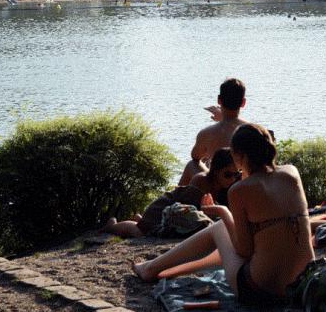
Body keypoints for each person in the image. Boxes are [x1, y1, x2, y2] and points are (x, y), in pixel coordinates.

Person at [131, 124, 315, 306]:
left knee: (219, 228)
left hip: (261, 291)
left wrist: (223, 212)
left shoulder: (239, 190)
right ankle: (163, 270)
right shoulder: (292, 173)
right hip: (302, 285)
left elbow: (244, 251)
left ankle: (151, 268)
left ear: (240, 156)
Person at [102, 148, 242, 238]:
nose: (233, 179)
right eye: (228, 174)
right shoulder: (201, 182)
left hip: (174, 217)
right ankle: (113, 226)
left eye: (237, 174)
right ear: (216, 171)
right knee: (139, 232)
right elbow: (185, 211)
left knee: (146, 227)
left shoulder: (231, 186)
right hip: (164, 209)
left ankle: (140, 219)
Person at [179, 78, 248, 186]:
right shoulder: (253, 131)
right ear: (243, 103)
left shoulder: (207, 134)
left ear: (219, 100)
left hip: (219, 188)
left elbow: (195, 156)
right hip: (244, 185)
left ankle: (176, 198)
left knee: (191, 165)